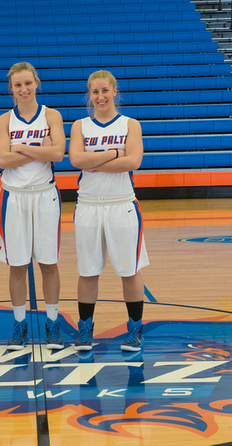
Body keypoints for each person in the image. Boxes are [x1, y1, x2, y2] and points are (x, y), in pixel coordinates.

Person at [68, 70, 149, 352]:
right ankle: (85, 329)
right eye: (95, 92)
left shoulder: (131, 125)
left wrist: (93, 162)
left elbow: (134, 161)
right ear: (89, 95)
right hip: (88, 206)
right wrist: (115, 154)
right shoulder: (80, 126)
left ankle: (135, 329)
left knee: (129, 270)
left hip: (122, 205)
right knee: (88, 271)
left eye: (105, 91)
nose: (100, 96)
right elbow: (76, 159)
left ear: (115, 92)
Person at [0, 62, 66, 350]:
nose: (23, 90)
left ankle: (52, 324)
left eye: (28, 83)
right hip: (13, 196)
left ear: (37, 83)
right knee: (18, 265)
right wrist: (40, 150)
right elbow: (2, 161)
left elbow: (58, 153)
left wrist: (20, 149)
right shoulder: (4, 120)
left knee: (49, 263)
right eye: (17, 85)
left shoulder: (51, 115)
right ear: (11, 88)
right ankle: (20, 325)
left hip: (45, 195)